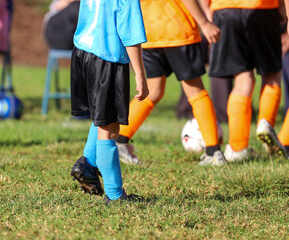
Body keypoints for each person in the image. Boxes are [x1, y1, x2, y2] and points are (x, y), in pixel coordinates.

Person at [116, 0, 225, 166]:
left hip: (149, 32)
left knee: (153, 90)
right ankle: (213, 152)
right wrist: (204, 23)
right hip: (178, 29)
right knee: (196, 92)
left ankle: (119, 141)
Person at [69, 0, 149, 202]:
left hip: (82, 51)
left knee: (103, 116)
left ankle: (87, 165)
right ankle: (114, 195)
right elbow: (130, 33)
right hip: (106, 58)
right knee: (110, 128)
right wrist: (140, 73)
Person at [203, 0, 288, 161]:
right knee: (272, 74)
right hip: (262, 7)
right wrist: (283, 8)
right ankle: (265, 123)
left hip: (224, 9)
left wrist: (207, 16)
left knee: (243, 79)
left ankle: (237, 147)